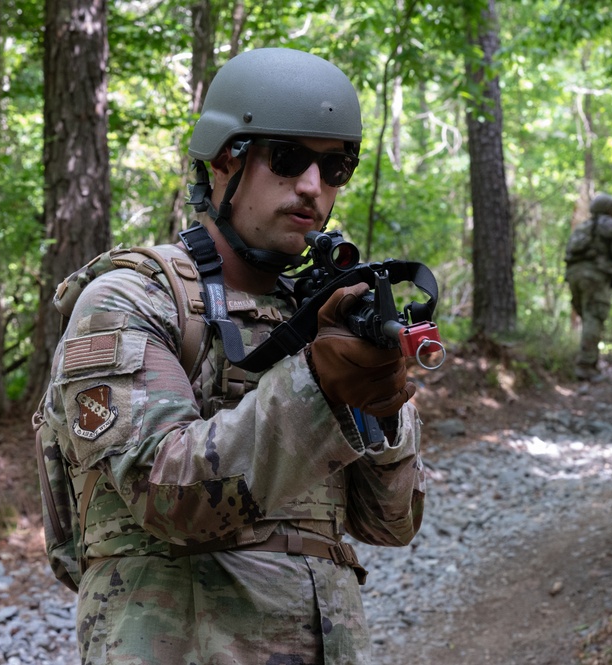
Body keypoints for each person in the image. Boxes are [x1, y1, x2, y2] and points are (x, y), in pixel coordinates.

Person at [40, 47, 425, 664]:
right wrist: (318, 389)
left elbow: (390, 523)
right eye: (289, 158)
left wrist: (381, 405)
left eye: (335, 167)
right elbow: (168, 499)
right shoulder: (133, 298)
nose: (311, 187)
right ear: (225, 159)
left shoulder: (318, 312)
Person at [564, 193, 612, 381]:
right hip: (596, 277)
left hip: (574, 276)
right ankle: (586, 367)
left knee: (587, 317)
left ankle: (586, 360)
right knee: (594, 317)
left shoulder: (582, 228)